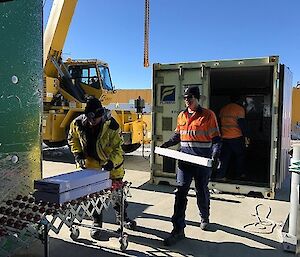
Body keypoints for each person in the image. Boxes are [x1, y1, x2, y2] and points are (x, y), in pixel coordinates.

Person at [67, 96, 136, 240]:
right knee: (93, 198)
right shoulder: (78, 123)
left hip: (111, 167)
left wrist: (111, 162)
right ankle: (96, 222)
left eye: (95, 120)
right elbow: (72, 138)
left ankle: (122, 218)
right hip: (91, 166)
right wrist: (78, 154)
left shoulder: (112, 126)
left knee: (117, 195)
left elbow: (119, 149)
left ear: (101, 115)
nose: (92, 123)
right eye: (90, 119)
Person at [160, 86, 221, 246]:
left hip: (202, 161)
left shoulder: (208, 115)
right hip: (184, 161)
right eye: (185, 98)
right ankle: (178, 229)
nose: (187, 100)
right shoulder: (181, 115)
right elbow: (177, 136)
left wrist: (215, 156)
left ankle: (204, 217)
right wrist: (166, 144)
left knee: (201, 189)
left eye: (190, 98)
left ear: (197, 98)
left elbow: (216, 139)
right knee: (180, 192)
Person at [218, 95, 249, 180]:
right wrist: (246, 136)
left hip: (224, 137)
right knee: (240, 156)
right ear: (239, 100)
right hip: (236, 137)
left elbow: (219, 123)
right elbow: (242, 124)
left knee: (224, 158)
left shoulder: (223, 109)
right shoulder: (239, 109)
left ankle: (221, 175)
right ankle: (239, 175)